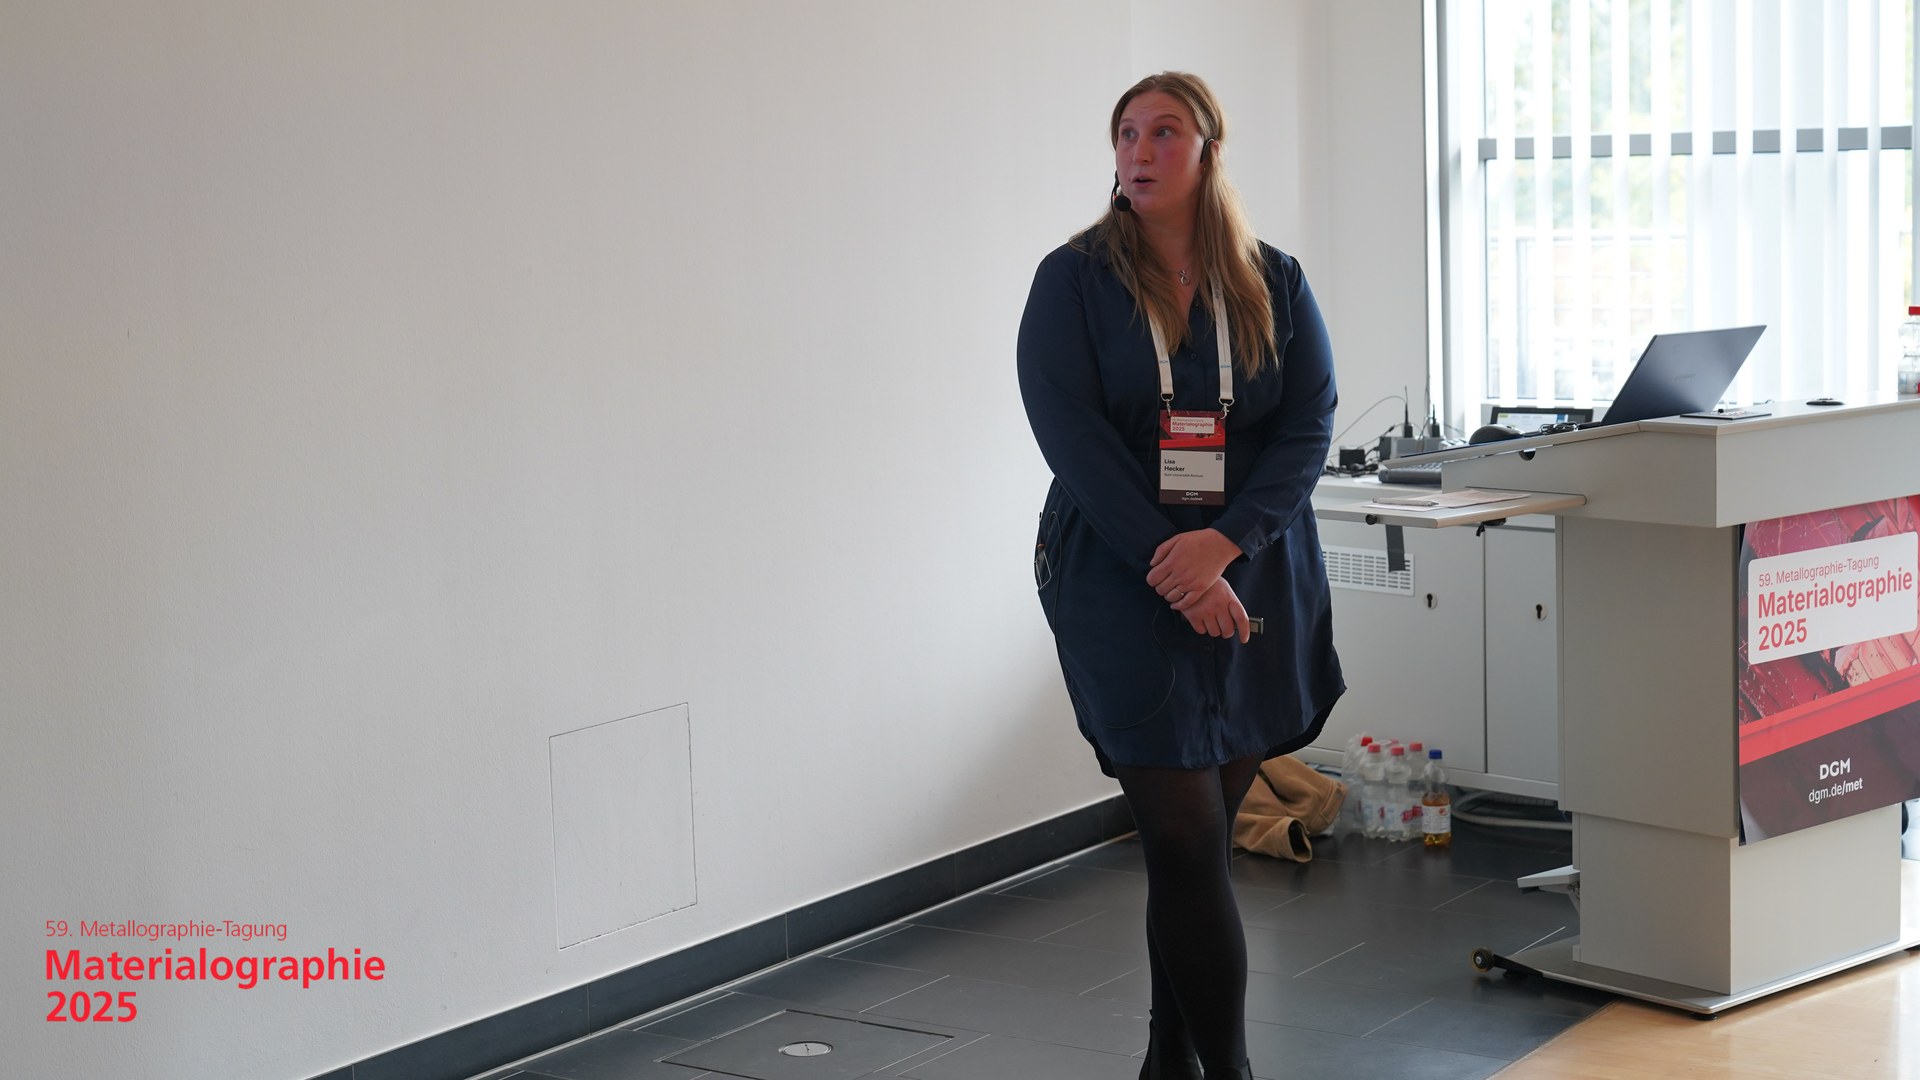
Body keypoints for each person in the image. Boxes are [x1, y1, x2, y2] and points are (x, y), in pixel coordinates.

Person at [1017, 72, 1344, 1080]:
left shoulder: (1273, 278)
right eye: (1126, 132)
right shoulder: (1072, 281)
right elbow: (1072, 439)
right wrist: (1181, 567)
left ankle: (1169, 1057)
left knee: (1192, 848)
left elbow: (1310, 424)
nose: (1140, 150)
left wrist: (1228, 543)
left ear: (1208, 150)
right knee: (1187, 833)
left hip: (1255, 571)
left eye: (1164, 131)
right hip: (1121, 577)